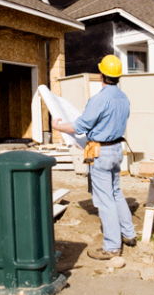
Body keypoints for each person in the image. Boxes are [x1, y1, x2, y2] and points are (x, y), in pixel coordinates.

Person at [51, 55, 137, 260]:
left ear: (102, 75)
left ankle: (112, 247)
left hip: (101, 152)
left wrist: (57, 126)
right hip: (116, 149)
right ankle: (129, 235)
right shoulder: (123, 97)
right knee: (116, 192)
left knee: (105, 199)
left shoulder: (99, 99)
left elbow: (79, 127)